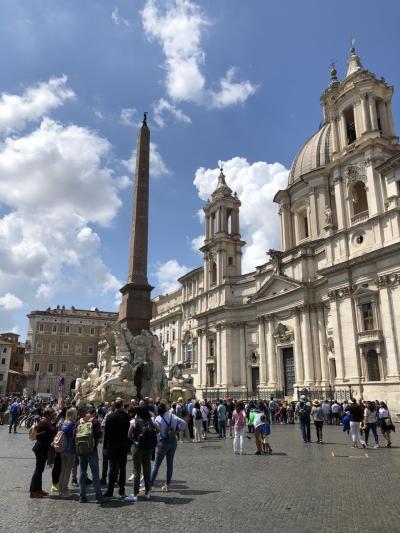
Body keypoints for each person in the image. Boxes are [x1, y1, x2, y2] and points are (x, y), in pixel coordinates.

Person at [125, 406, 159, 502]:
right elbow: (158, 430)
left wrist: (135, 440)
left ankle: (135, 494)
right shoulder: (151, 420)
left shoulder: (134, 421)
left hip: (137, 448)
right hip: (148, 448)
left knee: (137, 471)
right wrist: (150, 437)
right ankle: (147, 492)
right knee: (147, 470)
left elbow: (129, 435)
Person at [150, 403, 186, 492]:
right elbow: (183, 423)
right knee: (170, 464)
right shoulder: (172, 415)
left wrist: (156, 442)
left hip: (163, 442)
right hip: (173, 442)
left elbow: (157, 432)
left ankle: (149, 485)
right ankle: (168, 484)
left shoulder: (158, 419)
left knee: (156, 465)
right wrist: (177, 431)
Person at [103, 398, 130, 498]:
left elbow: (107, 434)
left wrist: (105, 447)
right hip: (123, 446)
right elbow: (129, 433)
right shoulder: (127, 417)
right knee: (122, 468)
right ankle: (122, 490)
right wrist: (128, 446)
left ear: (115, 406)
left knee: (112, 468)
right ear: (122, 405)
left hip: (112, 446)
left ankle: (110, 491)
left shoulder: (110, 417)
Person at [76, 405, 103, 503]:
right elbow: (99, 434)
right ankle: (99, 496)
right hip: (92, 450)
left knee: (82, 473)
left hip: (81, 451)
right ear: (94, 413)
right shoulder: (95, 422)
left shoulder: (79, 421)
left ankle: (82, 496)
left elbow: (74, 435)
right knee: (95, 474)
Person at [29, 407, 55, 498]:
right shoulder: (44, 423)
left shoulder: (45, 422)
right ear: (48, 415)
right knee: (38, 470)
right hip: (40, 448)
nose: (53, 416)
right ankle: (33, 491)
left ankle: (38, 489)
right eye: (52, 414)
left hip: (42, 447)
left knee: (40, 469)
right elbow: (50, 433)